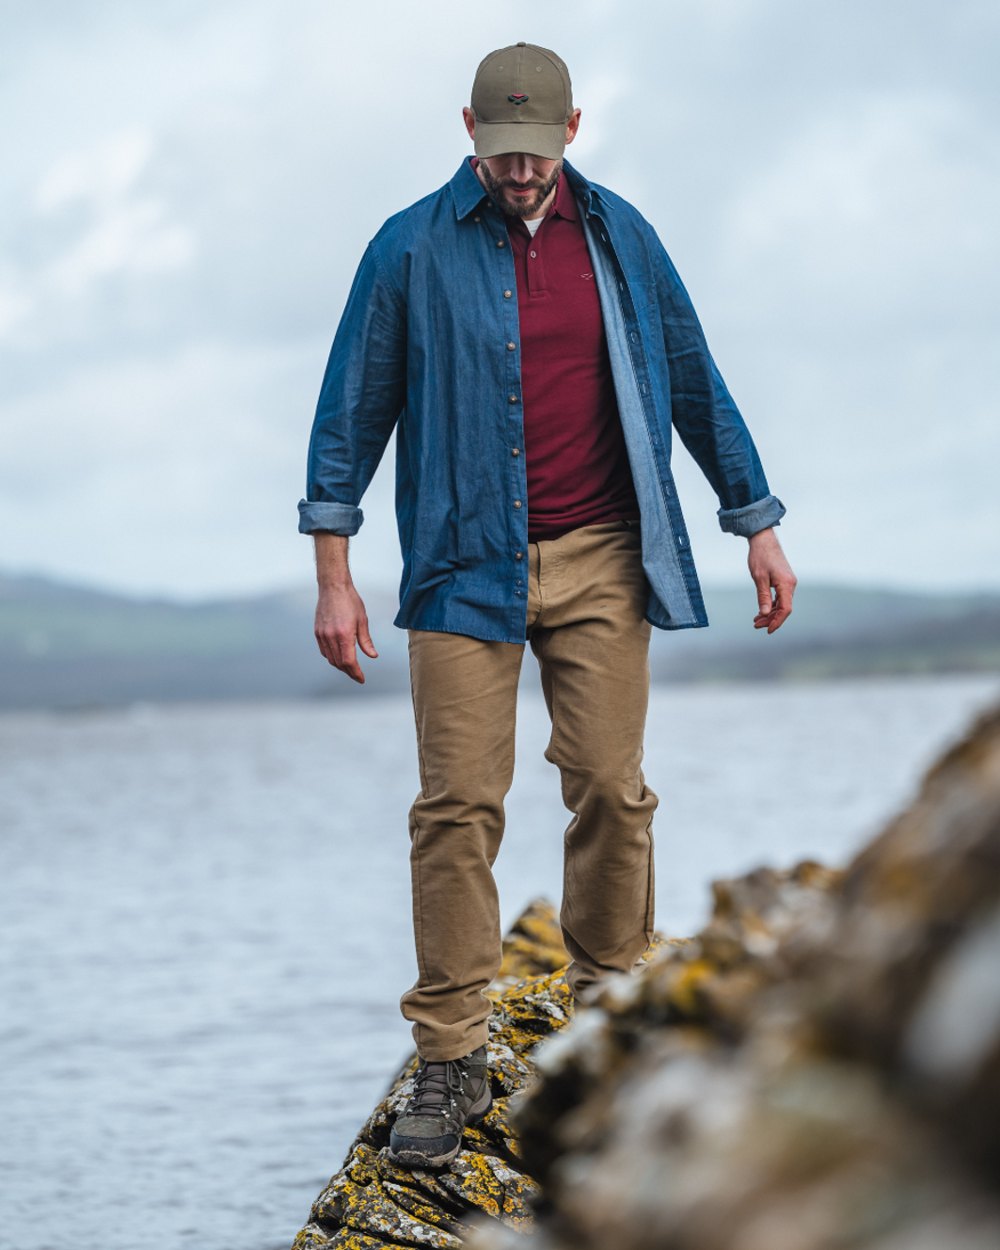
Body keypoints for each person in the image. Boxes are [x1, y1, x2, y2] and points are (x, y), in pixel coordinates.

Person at [298, 42, 796, 1169]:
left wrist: (754, 519)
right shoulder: (409, 248)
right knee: (457, 807)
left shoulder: (623, 239)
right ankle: (450, 1052)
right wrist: (334, 574)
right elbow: (348, 416)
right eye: (495, 151)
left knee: (612, 789)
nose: (515, 172)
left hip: (601, 555)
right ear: (464, 130)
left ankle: (610, 1015)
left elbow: (692, 381)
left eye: (533, 153)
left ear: (572, 132)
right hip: (460, 567)